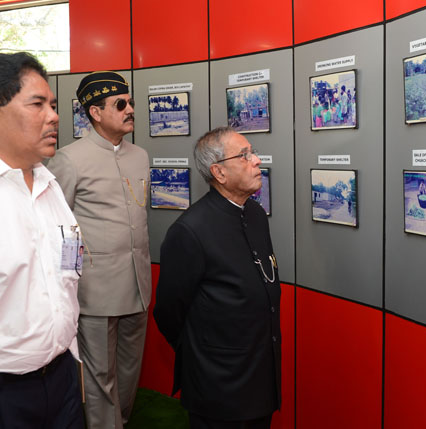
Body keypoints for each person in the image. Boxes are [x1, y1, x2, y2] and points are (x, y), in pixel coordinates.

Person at [154, 127, 281, 429]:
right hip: (218, 385)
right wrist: (205, 355)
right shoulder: (189, 231)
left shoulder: (255, 214)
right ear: (219, 172)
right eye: (245, 155)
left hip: (260, 376)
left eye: (253, 152)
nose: (257, 160)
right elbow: (168, 312)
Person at [47, 71, 151, 429]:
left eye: (130, 102)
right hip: (95, 288)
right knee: (98, 374)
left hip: (138, 285)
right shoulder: (69, 159)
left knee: (128, 369)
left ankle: (119, 421)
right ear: (95, 112)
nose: (129, 109)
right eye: (120, 104)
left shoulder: (140, 156)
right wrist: (67, 282)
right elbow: (57, 227)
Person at [0, 52, 84, 428]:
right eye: (37, 104)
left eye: (53, 104)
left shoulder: (51, 188)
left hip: (63, 376)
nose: (54, 116)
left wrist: (73, 364)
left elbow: (67, 276)